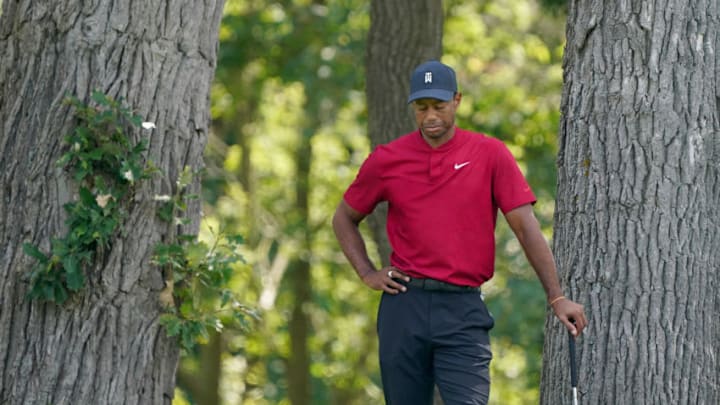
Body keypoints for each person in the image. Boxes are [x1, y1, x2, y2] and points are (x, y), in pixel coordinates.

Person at [332, 60, 587, 405]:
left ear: (457, 101)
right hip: (404, 306)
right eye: (422, 108)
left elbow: (526, 230)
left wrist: (557, 298)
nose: (430, 116)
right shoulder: (387, 160)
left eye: (439, 106)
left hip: (462, 309)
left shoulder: (490, 154)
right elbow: (344, 218)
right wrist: (366, 272)